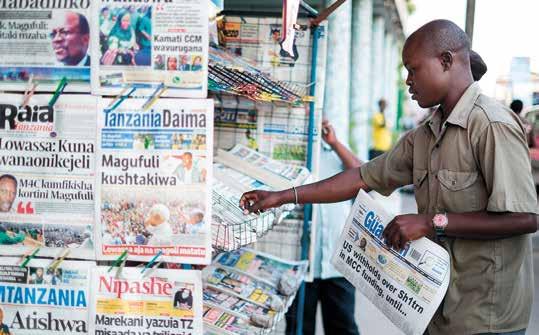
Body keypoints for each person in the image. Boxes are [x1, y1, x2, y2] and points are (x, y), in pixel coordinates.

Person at [240, 20, 538, 335]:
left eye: (413, 69)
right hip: (437, 313)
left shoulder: (490, 124)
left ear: (446, 61)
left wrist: (431, 222)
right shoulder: (424, 135)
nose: (408, 81)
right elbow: (361, 177)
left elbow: (526, 218)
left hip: (486, 319)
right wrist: (284, 196)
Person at [286, 120, 361, 335]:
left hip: (337, 264)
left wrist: (335, 143)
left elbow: (364, 174)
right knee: (299, 327)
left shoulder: (334, 154)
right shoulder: (296, 157)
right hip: (301, 264)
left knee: (343, 326)